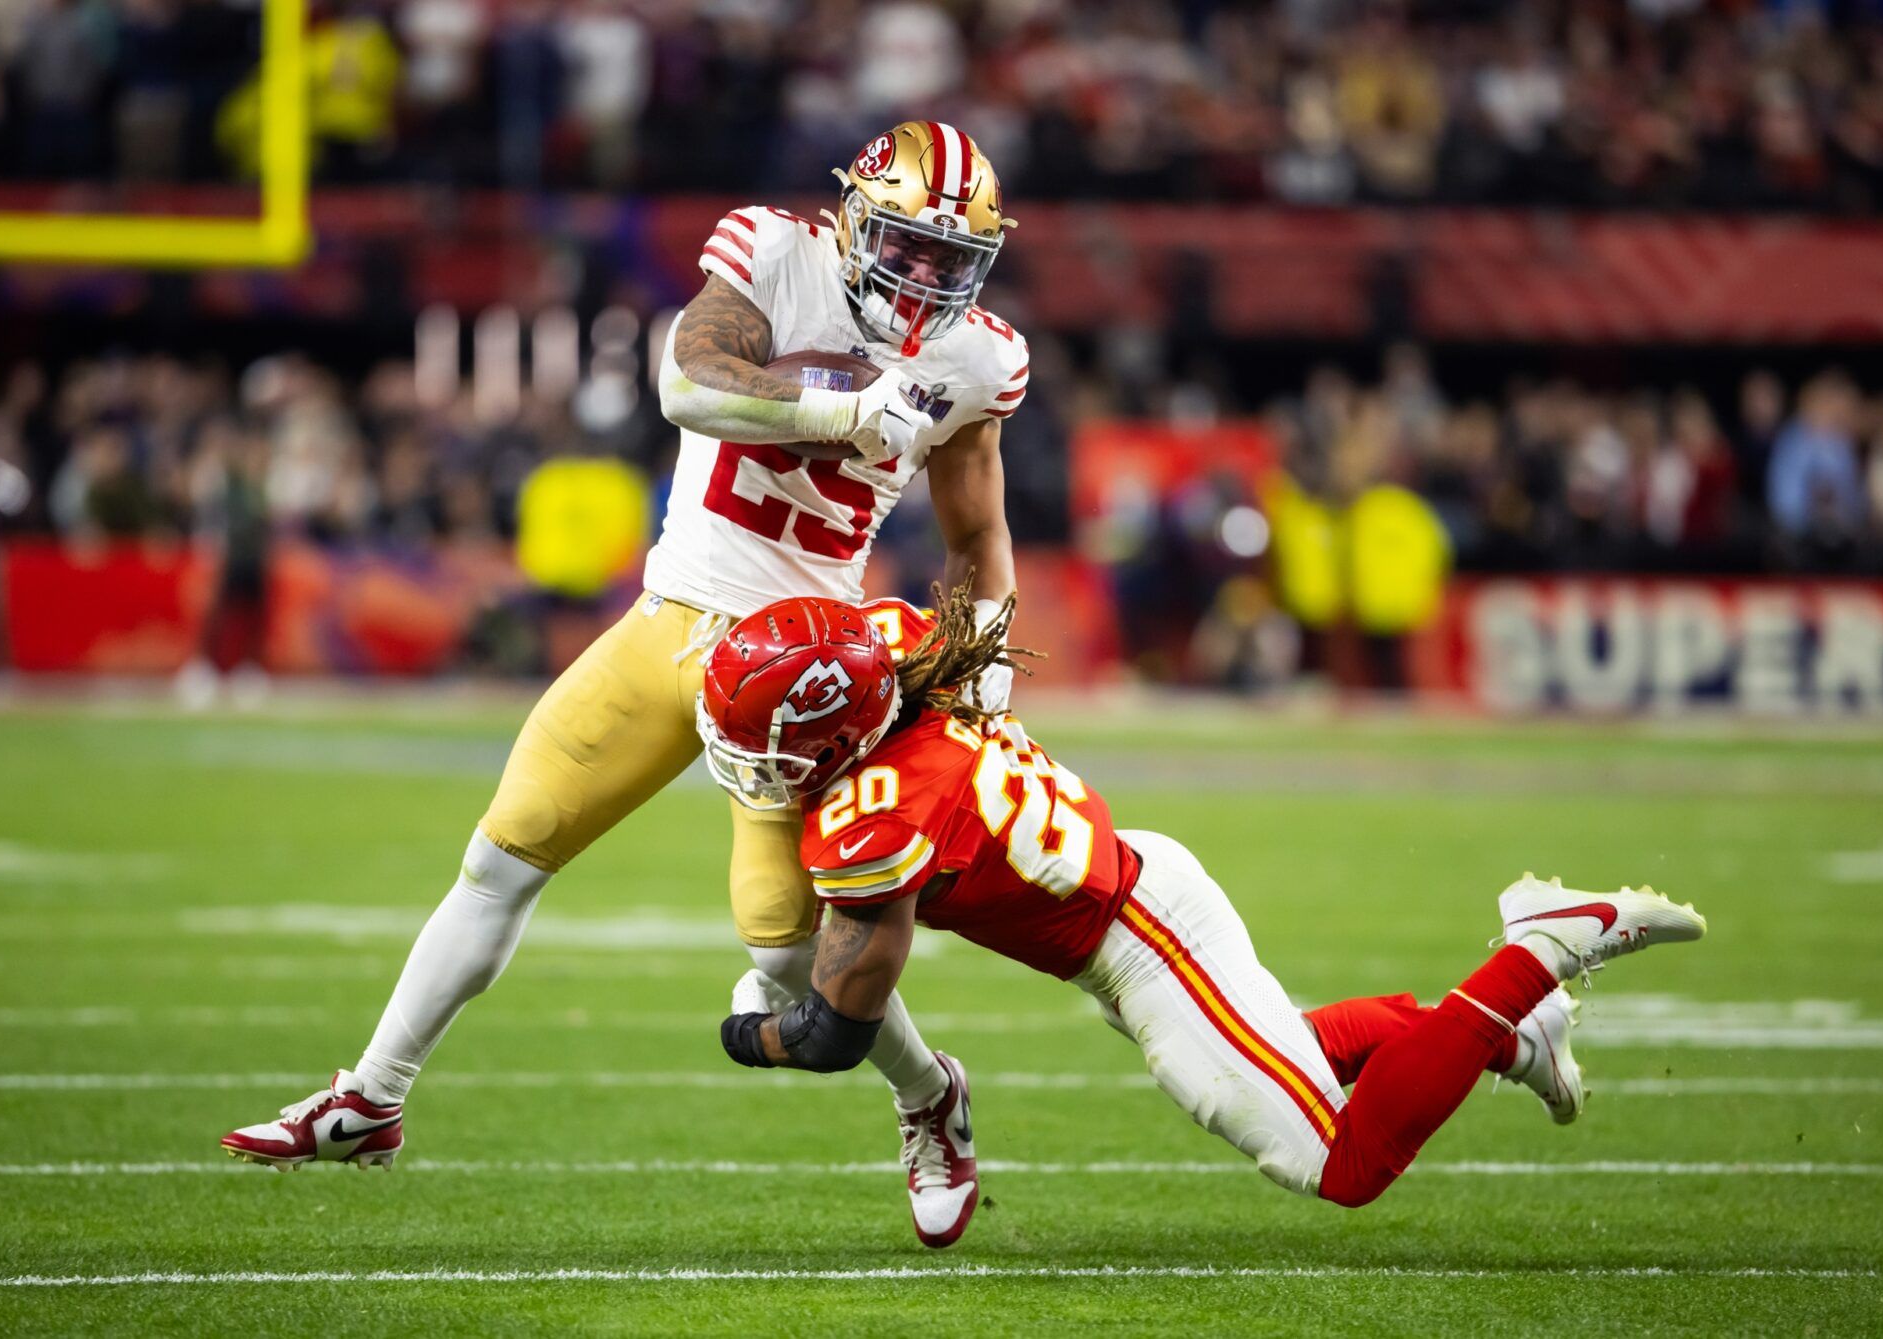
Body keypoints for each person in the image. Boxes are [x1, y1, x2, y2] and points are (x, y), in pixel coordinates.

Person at [222, 122, 1032, 1247]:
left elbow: (978, 533)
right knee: (502, 855)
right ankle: (374, 1095)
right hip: (672, 619)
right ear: (855, 216)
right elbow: (687, 381)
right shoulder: (772, 253)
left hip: (797, 661)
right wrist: (842, 411)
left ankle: (928, 1095)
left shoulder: (974, 358)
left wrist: (982, 666)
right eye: (911, 245)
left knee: (785, 958)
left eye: (956, 261)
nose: (930, 280)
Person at [702, 588, 1707, 1240]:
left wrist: (745, 1033)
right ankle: (1508, 1035)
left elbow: (836, 1033)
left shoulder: (881, 812)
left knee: (1338, 1161)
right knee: (1295, 1053)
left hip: (1141, 946)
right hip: (1141, 884)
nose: (752, 769)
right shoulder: (891, 641)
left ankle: (1542, 948)